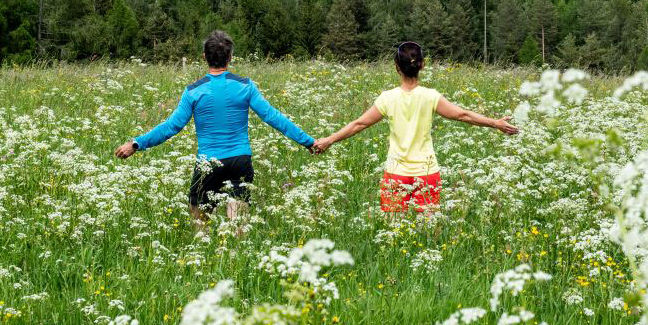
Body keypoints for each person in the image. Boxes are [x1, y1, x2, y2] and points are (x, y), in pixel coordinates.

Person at [114, 30, 315, 222]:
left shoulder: (193, 91)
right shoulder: (246, 86)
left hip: (207, 162)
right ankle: (236, 254)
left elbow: (171, 127)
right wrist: (308, 142)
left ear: (204, 57)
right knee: (237, 227)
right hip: (240, 160)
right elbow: (273, 117)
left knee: (200, 223)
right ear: (230, 57)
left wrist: (136, 144)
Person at [312, 41, 518, 213]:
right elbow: (462, 115)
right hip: (427, 173)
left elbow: (358, 124)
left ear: (396, 67)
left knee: (393, 235)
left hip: (396, 173)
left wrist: (329, 140)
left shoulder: (388, 98)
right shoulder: (430, 97)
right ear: (422, 65)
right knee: (427, 234)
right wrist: (495, 123)